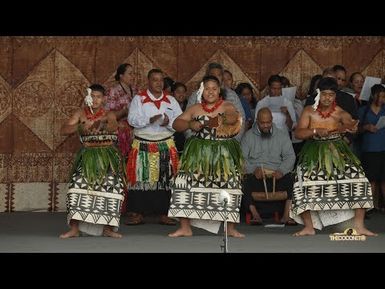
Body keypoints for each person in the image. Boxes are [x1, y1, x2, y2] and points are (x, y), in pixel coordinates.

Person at [291, 77, 376, 236]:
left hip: (338, 150)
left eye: (331, 95)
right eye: (324, 94)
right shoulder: (309, 111)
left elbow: (351, 124)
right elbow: (299, 133)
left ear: (335, 95)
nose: (327, 98)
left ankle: (359, 225)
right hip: (314, 150)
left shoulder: (340, 113)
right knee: (302, 181)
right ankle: (309, 227)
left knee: (359, 179)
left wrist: (351, 127)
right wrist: (315, 131)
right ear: (318, 93)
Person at [168, 75, 244, 238]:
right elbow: (176, 124)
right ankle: (185, 227)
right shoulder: (195, 108)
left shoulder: (227, 105)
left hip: (222, 153)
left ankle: (230, 228)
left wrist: (214, 120)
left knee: (231, 185)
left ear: (219, 91)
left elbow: (233, 117)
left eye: (214, 89)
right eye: (207, 88)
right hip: (198, 152)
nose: (211, 92)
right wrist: (189, 124)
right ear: (202, 91)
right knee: (183, 182)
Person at [60, 84, 125, 238]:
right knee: (76, 186)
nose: (95, 100)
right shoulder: (80, 113)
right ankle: (75, 228)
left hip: (106, 156)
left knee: (113, 187)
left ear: (104, 99)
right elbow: (63, 129)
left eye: (98, 97)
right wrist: (79, 127)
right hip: (88, 154)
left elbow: (113, 127)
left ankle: (108, 228)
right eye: (93, 96)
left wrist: (101, 123)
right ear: (87, 97)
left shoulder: (109, 114)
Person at [126, 69, 182, 225]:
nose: (159, 83)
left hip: (164, 143)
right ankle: (137, 213)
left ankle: (164, 213)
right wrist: (150, 119)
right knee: (140, 178)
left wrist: (169, 123)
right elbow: (132, 119)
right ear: (148, 81)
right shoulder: (139, 99)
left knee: (165, 179)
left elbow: (180, 121)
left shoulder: (171, 100)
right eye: (155, 80)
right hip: (143, 143)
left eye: (161, 80)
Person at [241, 108, 296, 225]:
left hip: (277, 176)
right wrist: (253, 170)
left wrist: (282, 170)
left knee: (292, 180)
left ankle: (286, 215)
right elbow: (241, 159)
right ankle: (255, 216)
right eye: (262, 123)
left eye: (268, 122)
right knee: (244, 181)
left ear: (272, 120)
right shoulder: (248, 136)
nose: (266, 125)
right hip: (257, 177)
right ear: (257, 121)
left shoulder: (281, 136)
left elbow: (290, 156)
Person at [105, 63, 135, 158]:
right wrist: (123, 112)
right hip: (120, 132)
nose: (133, 76)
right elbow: (108, 114)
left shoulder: (136, 90)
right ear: (121, 76)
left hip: (135, 131)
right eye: (130, 73)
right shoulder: (113, 91)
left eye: (133, 74)